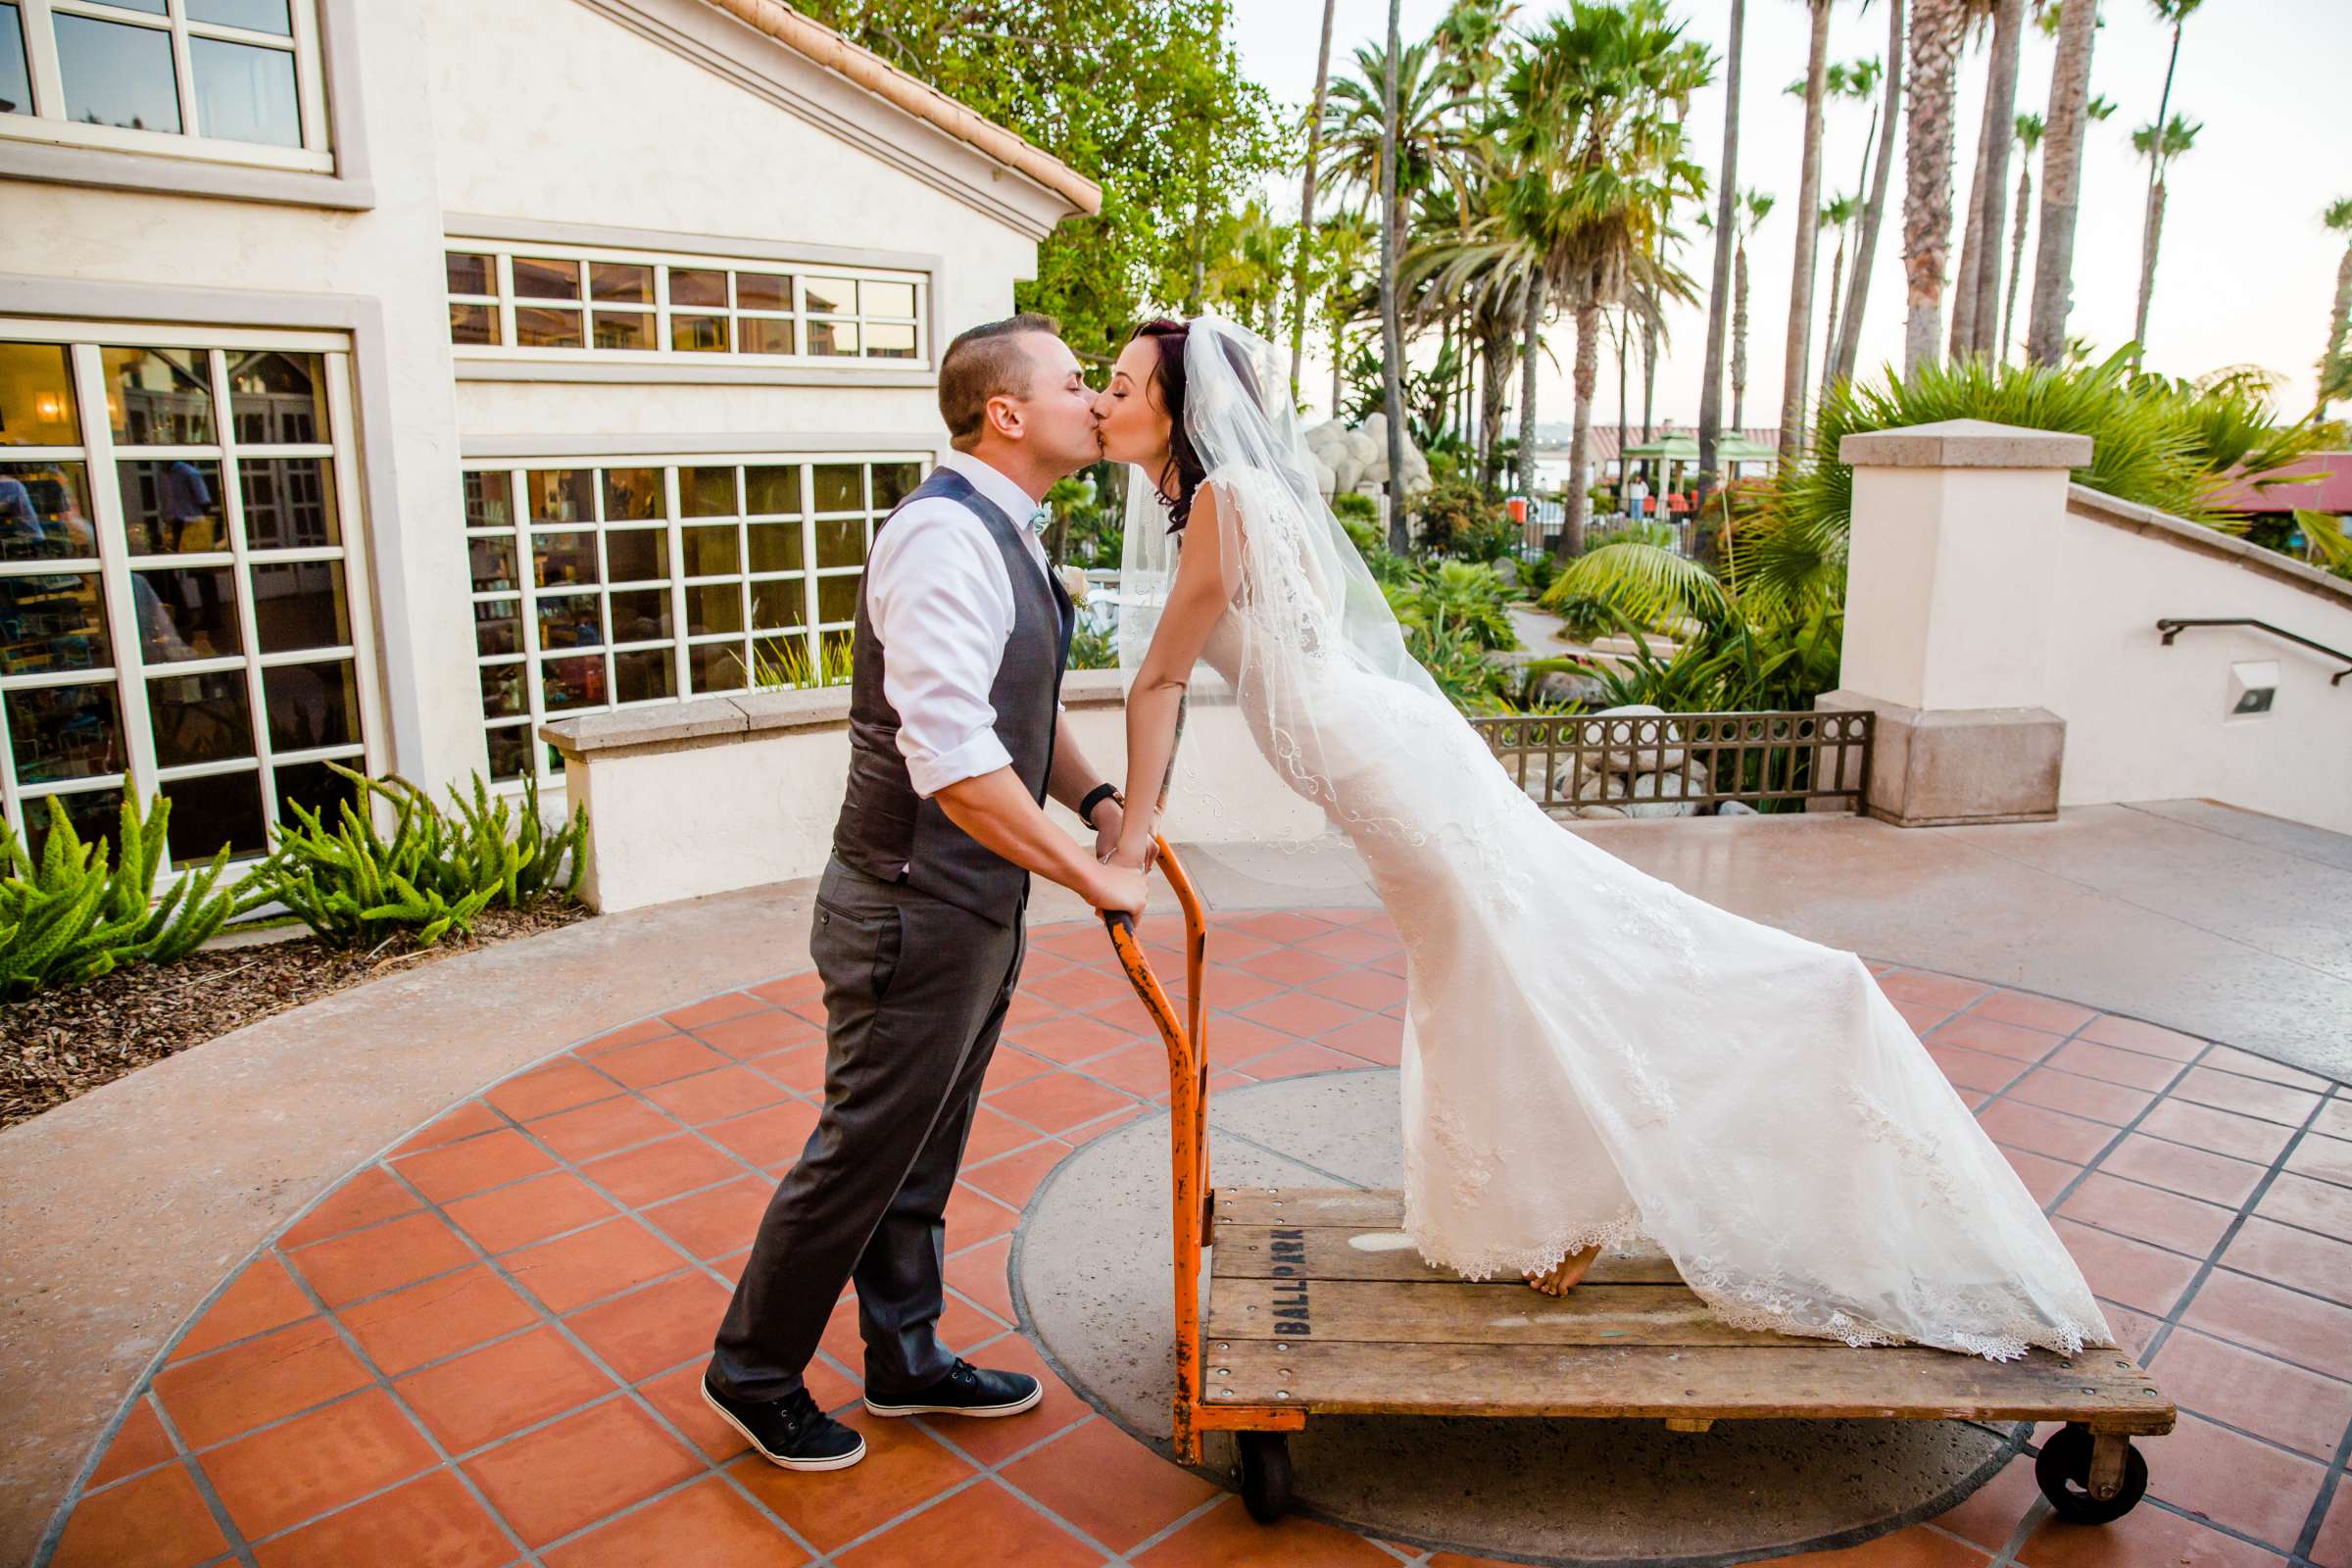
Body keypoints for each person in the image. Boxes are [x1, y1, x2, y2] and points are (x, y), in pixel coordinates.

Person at [1090, 315, 2110, 1359]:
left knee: (1517, 964)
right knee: (1481, 972)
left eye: (1119, 385)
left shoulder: (1226, 499)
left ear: (1180, 404)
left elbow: (1163, 676)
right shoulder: (1218, 503)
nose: (1101, 399)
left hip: (1389, 772)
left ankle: (1626, 1162)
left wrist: (1129, 849)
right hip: (1387, 766)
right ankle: (1548, 1207)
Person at [704, 314, 1148, 1472]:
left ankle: (903, 1358)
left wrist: (1096, 796)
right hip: (909, 904)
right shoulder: (943, 540)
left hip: (968, 904)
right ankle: (752, 1371)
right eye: (1071, 384)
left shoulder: (1004, 530)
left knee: (922, 1145)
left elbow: (1011, 716)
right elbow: (950, 757)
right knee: (863, 1148)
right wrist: (1092, 874)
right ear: (1006, 412)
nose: (1094, 402)